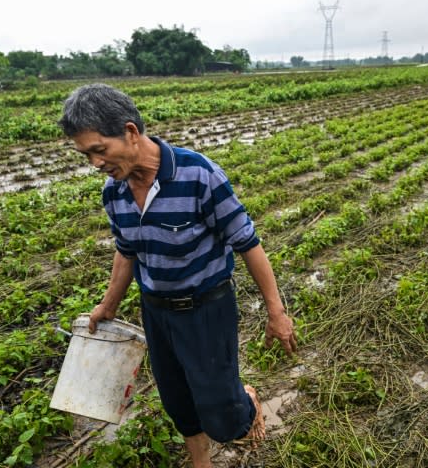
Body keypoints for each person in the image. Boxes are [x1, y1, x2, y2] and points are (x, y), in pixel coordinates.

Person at [58, 83, 297, 467]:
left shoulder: (199, 175)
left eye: (99, 150)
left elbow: (248, 244)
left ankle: (245, 403)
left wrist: (277, 312)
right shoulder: (113, 192)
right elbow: (127, 252)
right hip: (156, 311)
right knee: (178, 401)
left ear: (131, 132)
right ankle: (200, 462)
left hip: (206, 309)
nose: (95, 163)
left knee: (222, 417)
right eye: (86, 155)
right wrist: (108, 305)